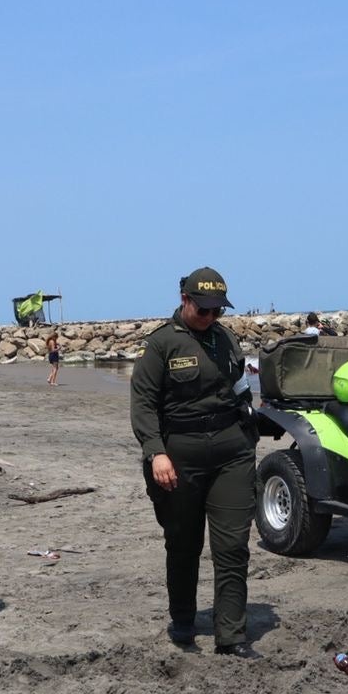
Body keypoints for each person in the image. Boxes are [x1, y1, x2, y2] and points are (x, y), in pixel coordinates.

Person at [130, 267, 257, 656]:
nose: (211, 317)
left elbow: (241, 388)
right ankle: (183, 619)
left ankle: (231, 634)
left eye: (218, 310)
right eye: (204, 310)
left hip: (231, 453)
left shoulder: (225, 339)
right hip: (179, 454)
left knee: (233, 545)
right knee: (183, 542)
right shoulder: (161, 345)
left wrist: (251, 426)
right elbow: (143, 404)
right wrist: (156, 452)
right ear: (185, 301)